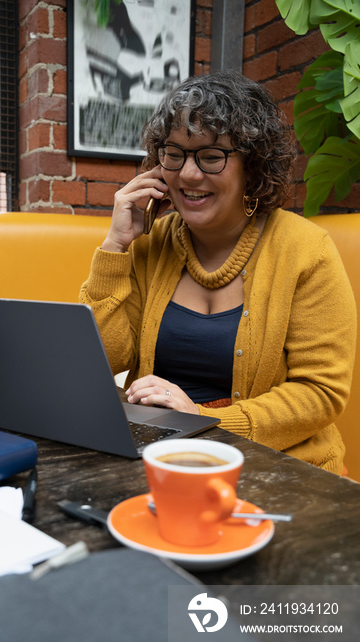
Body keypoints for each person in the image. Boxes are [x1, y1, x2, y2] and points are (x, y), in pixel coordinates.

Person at [80, 71, 356, 474]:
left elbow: (320, 393)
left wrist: (204, 422)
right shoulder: (152, 242)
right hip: (160, 459)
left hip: (282, 469)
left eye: (211, 156)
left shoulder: (306, 251)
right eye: (174, 154)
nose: (189, 174)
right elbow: (103, 361)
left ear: (253, 165)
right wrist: (115, 248)